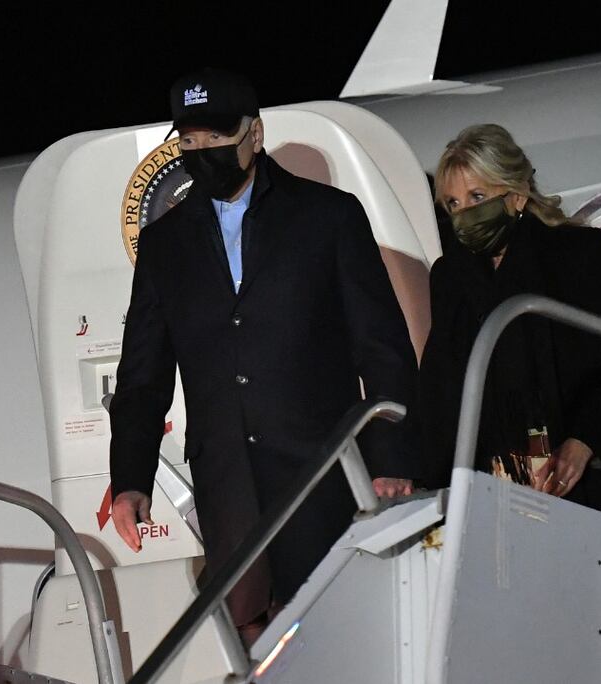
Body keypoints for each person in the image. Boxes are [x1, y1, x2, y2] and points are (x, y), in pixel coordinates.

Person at [108, 67, 420, 644]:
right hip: (228, 487)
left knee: (342, 635)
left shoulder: (329, 217)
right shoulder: (164, 245)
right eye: (190, 141)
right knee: (253, 641)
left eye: (217, 138)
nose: (202, 152)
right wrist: (131, 477)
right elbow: (143, 374)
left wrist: (391, 457)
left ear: (256, 133)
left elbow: (382, 346)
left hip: (322, 475)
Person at [418, 123, 601, 531]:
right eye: (454, 203)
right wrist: (426, 478)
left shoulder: (579, 254)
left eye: (477, 197)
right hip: (492, 491)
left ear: (515, 196)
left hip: (579, 481)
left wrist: (585, 443)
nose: (465, 214)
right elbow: (440, 384)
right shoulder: (450, 276)